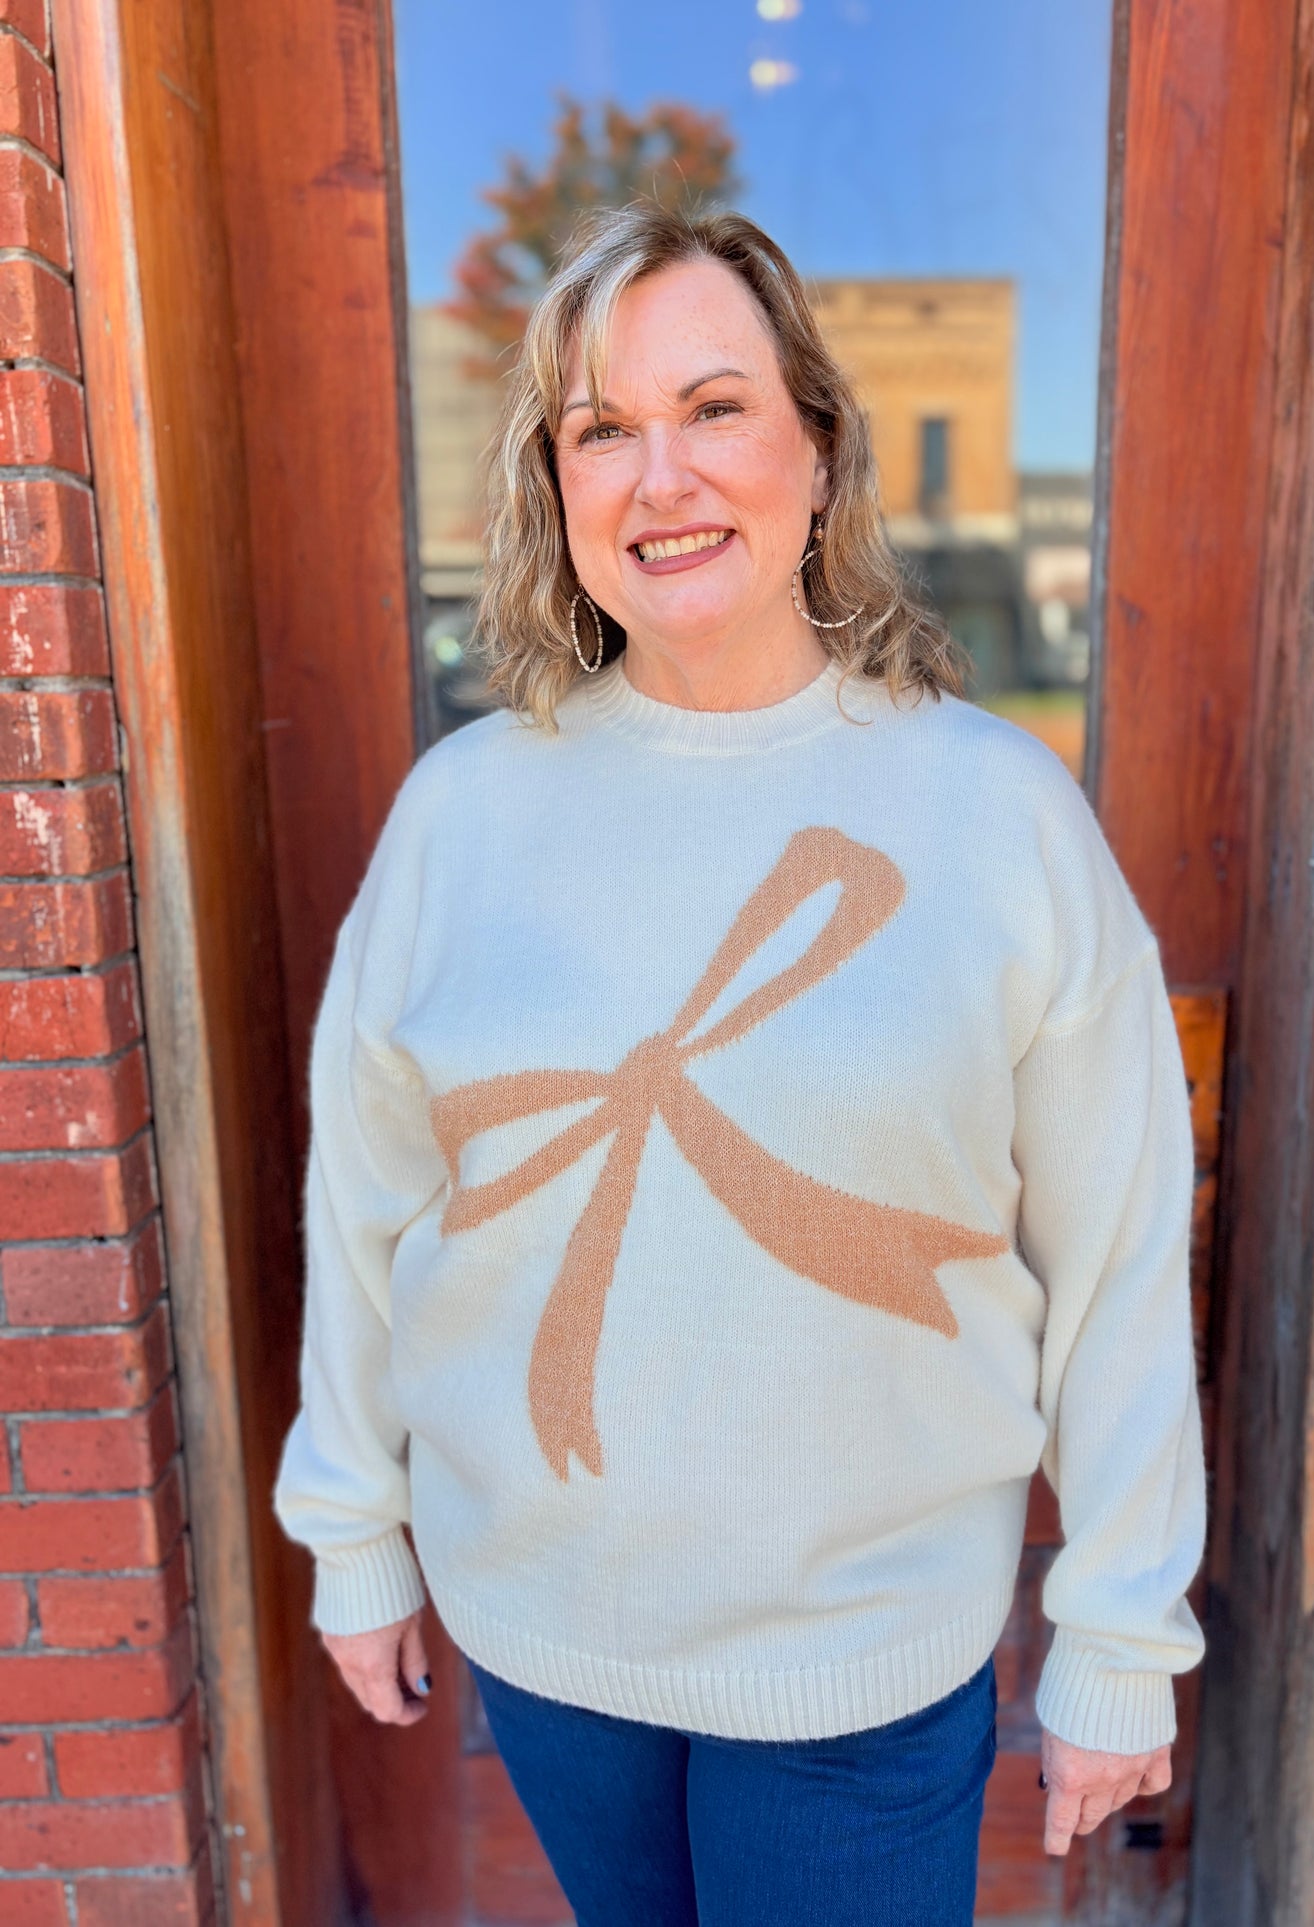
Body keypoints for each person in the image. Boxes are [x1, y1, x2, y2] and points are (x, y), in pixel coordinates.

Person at [272, 199, 1207, 1925]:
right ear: (556, 489)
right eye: (602, 430)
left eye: (714, 408)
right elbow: (367, 1204)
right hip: (546, 1637)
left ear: (819, 449)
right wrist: (352, 1533)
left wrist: (1120, 1634)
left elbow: (1118, 1250)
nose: (661, 476)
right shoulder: (461, 820)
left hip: (861, 1657)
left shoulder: (993, 811)